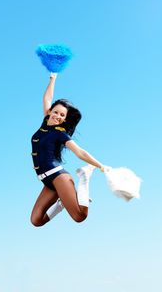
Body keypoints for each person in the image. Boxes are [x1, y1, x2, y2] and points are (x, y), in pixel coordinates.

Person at [30, 73, 106, 226]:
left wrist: (101, 166)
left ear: (64, 119)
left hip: (58, 176)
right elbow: (47, 99)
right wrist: (53, 79)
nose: (57, 116)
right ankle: (61, 204)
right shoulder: (45, 122)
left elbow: (80, 152)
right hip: (47, 181)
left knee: (79, 216)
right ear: (50, 111)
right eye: (56, 112)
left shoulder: (60, 133)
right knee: (36, 221)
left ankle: (85, 177)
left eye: (62, 115)